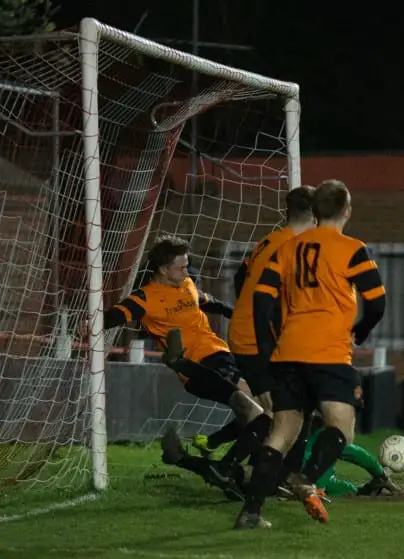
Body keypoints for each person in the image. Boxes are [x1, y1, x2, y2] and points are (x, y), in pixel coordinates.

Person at [236, 179, 386, 529]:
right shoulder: (352, 249)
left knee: (282, 430)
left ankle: (251, 512)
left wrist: (267, 347)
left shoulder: (287, 249)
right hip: (329, 354)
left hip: (288, 351)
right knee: (341, 430)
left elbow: (260, 298)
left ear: (316, 211)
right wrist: (361, 330)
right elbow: (377, 301)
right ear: (347, 210)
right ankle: (305, 478)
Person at [92, 235, 268, 496]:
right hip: (196, 366)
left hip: (222, 356)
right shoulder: (145, 298)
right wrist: (90, 324)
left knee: (264, 412)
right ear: (163, 270)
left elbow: (212, 304)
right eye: (182, 266)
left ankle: (227, 468)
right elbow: (116, 315)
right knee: (259, 412)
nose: (187, 270)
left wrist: (244, 315)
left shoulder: (187, 284)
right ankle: (228, 465)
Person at [192, 185, 318, 461]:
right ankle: (240, 469)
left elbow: (241, 279)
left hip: (245, 332)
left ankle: (232, 460)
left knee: (279, 409)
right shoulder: (295, 248)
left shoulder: (268, 241)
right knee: (287, 411)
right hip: (260, 339)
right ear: (315, 216)